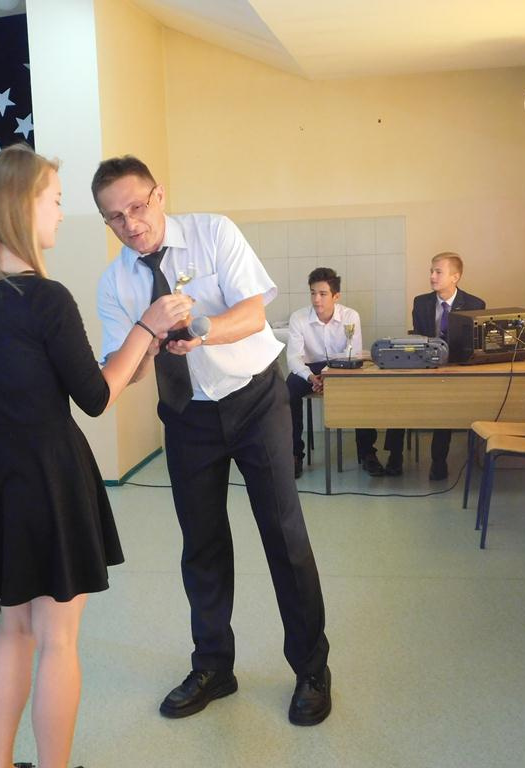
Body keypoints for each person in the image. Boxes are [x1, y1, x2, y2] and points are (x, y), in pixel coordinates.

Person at [0, 145, 191, 768]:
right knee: (57, 640)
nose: (60, 213)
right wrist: (148, 327)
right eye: (55, 201)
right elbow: (96, 397)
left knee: (13, 629)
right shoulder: (44, 298)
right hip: (50, 479)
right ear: (25, 206)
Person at [93, 155, 332, 727]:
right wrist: (147, 337)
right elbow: (130, 371)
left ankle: (311, 668)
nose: (130, 224)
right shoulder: (115, 281)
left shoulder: (212, 232)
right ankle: (213, 667)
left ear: (159, 195)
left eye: (137, 206)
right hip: (187, 416)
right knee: (201, 544)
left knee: (284, 534)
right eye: (115, 217)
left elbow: (253, 313)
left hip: (255, 400)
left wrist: (201, 330)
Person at [383, 251, 485, 480]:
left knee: (444, 402)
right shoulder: (421, 303)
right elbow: (420, 340)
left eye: (438, 272)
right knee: (398, 397)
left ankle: (439, 461)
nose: (432, 276)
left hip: (457, 371)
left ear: (455, 277)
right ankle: (394, 455)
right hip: (425, 366)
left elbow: (475, 346)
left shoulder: (474, 304)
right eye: (431, 271)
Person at [286, 267, 379, 478]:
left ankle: (367, 452)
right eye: (313, 293)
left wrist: (331, 377)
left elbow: (353, 353)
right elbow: (293, 358)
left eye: (322, 294)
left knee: (365, 390)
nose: (316, 299)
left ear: (336, 296)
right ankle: (294, 454)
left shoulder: (350, 316)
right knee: (287, 391)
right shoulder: (298, 318)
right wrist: (311, 377)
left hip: (341, 366)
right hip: (310, 369)